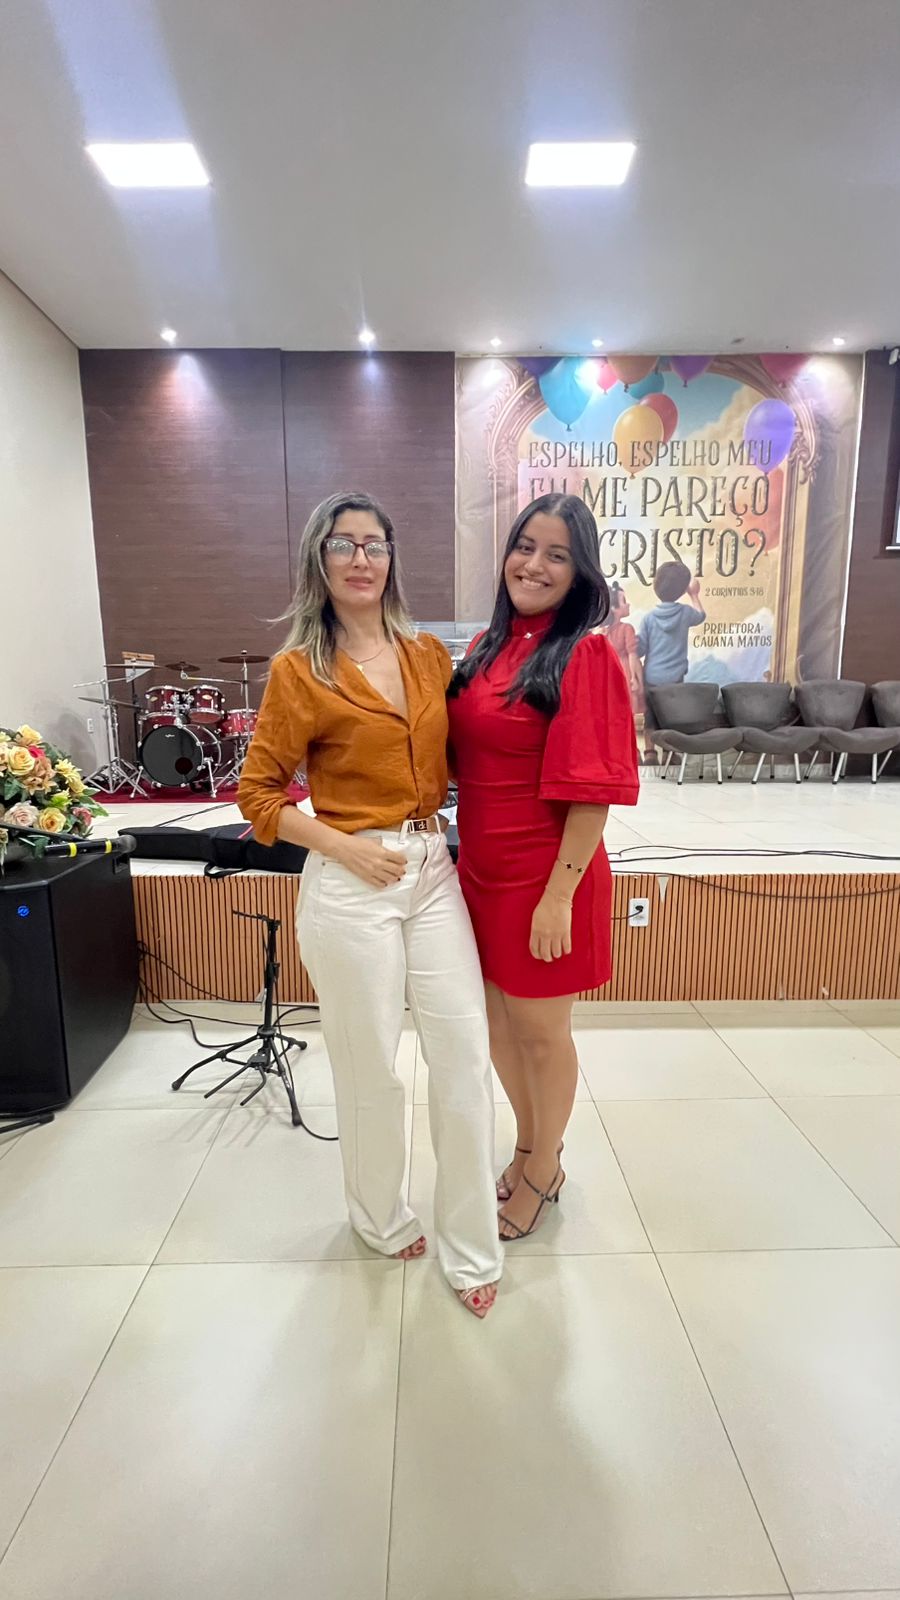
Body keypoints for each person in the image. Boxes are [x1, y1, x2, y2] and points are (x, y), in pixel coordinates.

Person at [238, 491, 502, 1317]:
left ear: (392, 559)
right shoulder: (299, 671)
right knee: (371, 1069)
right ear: (318, 560)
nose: (361, 559)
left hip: (431, 870)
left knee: (463, 1057)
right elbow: (258, 796)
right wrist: (342, 845)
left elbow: (474, 752)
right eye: (344, 544)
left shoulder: (425, 655)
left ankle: (472, 1246)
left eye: (375, 544)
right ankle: (380, 1219)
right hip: (352, 880)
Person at [447, 493, 639, 1242]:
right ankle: (530, 1147)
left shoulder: (584, 654)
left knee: (540, 1033)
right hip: (479, 870)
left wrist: (558, 898)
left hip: (546, 874)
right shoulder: (484, 647)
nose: (534, 565)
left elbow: (592, 792)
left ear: (580, 572)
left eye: (557, 554)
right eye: (525, 546)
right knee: (497, 1028)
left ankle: (543, 1166)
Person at [636, 561, 706, 690]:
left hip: (651, 678)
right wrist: (694, 595)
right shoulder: (685, 613)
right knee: (674, 703)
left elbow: (639, 650)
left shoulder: (648, 619)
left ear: (655, 585)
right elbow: (701, 615)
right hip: (675, 678)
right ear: (683, 591)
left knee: (652, 703)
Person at [605, 580, 645, 718]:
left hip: (610, 673)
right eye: (624, 601)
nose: (628, 604)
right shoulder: (627, 629)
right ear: (614, 609)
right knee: (630, 710)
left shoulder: (603, 632)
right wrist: (636, 679)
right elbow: (632, 655)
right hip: (626, 671)